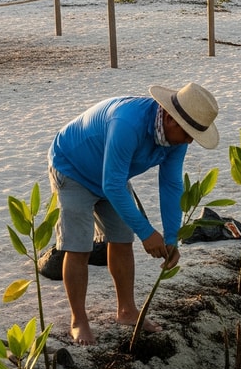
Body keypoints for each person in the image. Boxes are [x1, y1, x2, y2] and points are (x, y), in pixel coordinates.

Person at [48, 82, 220, 345]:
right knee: (78, 246)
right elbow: (112, 185)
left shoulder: (178, 138)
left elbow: (171, 184)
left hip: (112, 174)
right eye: (187, 135)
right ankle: (78, 320)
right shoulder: (127, 123)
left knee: (121, 237)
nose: (188, 142)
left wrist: (172, 237)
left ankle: (126, 310)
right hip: (73, 167)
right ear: (171, 119)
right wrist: (147, 233)